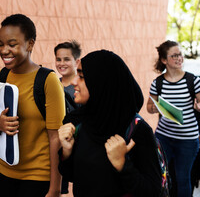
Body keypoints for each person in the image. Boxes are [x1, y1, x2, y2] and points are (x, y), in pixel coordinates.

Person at [58, 50, 163, 196]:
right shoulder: (77, 122)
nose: (74, 81)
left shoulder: (137, 130)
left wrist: (123, 165)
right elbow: (71, 176)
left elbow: (153, 191)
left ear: (102, 83)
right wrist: (66, 152)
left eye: (81, 76)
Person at [0, 14, 65, 197]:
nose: (4, 50)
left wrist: (55, 189)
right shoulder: (1, 77)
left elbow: (56, 138)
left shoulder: (48, 81)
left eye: (12, 44)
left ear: (30, 44)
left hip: (37, 178)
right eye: (0, 43)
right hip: (5, 173)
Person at [146, 40, 200, 197]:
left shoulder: (193, 80)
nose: (179, 58)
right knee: (162, 175)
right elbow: (149, 107)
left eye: (180, 55)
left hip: (188, 140)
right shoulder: (158, 83)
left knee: (183, 178)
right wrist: (154, 107)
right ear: (164, 60)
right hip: (164, 138)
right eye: (174, 55)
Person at [54, 40, 81, 196]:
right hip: (57, 144)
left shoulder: (80, 87)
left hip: (76, 143)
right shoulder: (53, 85)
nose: (61, 63)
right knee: (58, 183)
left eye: (66, 59)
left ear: (76, 61)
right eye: (58, 59)